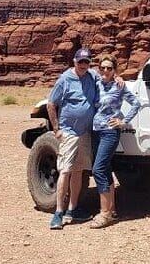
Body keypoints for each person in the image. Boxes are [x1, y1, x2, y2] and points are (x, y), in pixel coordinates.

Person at [46, 47, 98, 230]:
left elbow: (109, 80)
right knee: (65, 171)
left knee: (78, 171)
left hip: (85, 133)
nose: (84, 65)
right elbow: (51, 104)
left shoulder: (92, 76)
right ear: (74, 61)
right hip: (69, 132)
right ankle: (58, 213)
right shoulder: (65, 79)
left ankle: (72, 209)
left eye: (87, 61)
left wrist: (119, 78)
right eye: (80, 61)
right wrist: (56, 129)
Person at [88, 54, 141, 228]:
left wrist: (123, 121)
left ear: (114, 70)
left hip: (110, 132)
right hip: (96, 130)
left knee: (98, 169)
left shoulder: (119, 86)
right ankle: (112, 210)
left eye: (109, 68)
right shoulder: (97, 84)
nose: (105, 70)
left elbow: (136, 103)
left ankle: (105, 214)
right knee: (106, 168)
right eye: (102, 67)